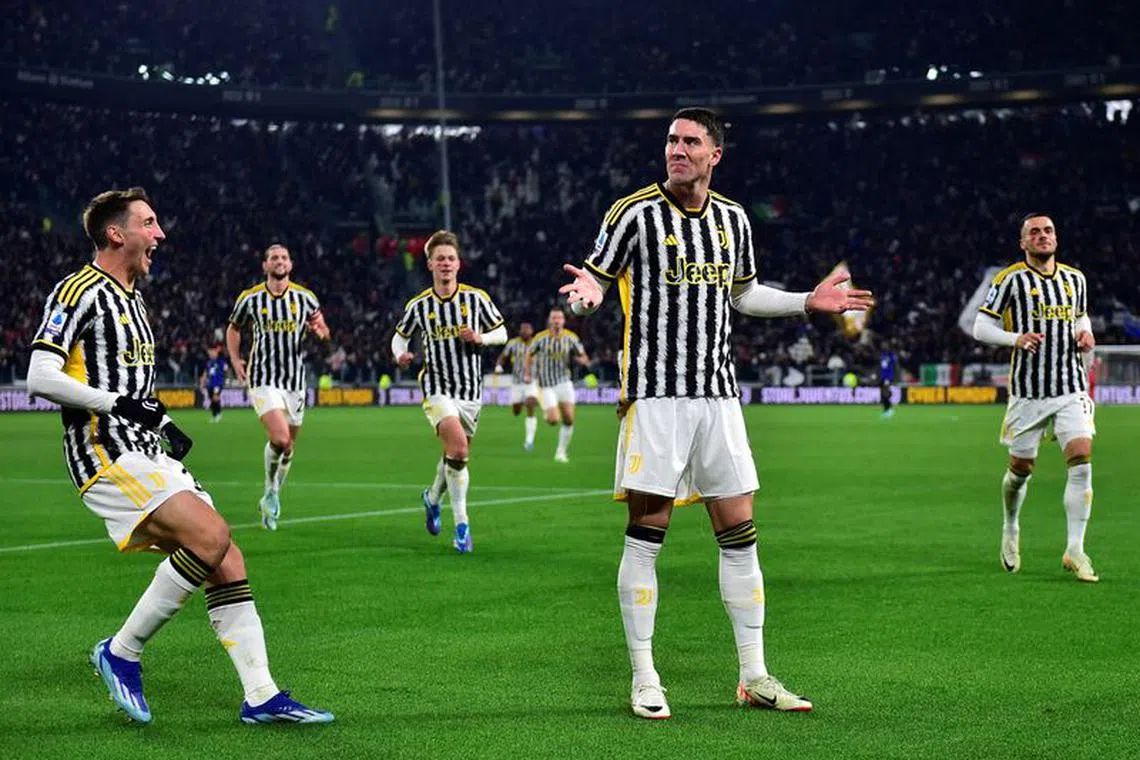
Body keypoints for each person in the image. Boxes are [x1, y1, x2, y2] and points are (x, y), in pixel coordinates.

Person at [558, 108, 873, 719]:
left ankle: (754, 675)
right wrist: (589, 295)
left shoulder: (732, 220)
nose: (677, 149)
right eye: (672, 140)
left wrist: (807, 300)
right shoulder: (633, 214)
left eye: (690, 141)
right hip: (655, 396)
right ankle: (645, 675)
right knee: (648, 535)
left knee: (740, 532)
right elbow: (595, 280)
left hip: (719, 397)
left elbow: (744, 294)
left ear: (714, 154)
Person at [26, 188, 332, 725]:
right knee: (210, 537)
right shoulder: (79, 290)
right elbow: (40, 375)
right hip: (106, 451)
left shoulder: (135, 300)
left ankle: (260, 694)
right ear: (116, 233)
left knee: (227, 557)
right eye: (149, 223)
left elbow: (129, 386)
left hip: (145, 448)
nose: (160, 234)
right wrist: (116, 403)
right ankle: (121, 651)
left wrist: (163, 421)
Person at [972, 213, 1097, 582]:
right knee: (1020, 471)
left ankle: (1076, 548)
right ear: (1023, 242)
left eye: (1048, 231)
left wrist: (1085, 333)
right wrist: (1016, 338)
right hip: (1028, 393)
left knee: (1081, 460)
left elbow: (1081, 317)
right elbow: (981, 327)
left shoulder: (1076, 279)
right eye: (1034, 233)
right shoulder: (1009, 280)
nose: (1043, 236)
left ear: (1056, 237)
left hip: (1071, 387)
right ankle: (1011, 527)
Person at [392, 231, 507, 553]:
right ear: (430, 264)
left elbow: (502, 332)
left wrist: (481, 338)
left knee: (457, 457)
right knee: (458, 450)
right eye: (439, 259)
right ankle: (462, 525)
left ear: (459, 264)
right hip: (437, 386)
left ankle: (431, 498)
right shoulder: (419, 305)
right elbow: (400, 337)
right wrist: (399, 355)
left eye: (450, 258)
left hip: (470, 391)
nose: (445, 263)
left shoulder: (476, 298)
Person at [225, 244, 330, 531]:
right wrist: (235, 360)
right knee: (281, 439)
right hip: (263, 379)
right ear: (265, 265)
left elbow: (323, 329)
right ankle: (270, 490)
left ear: (290, 264)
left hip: (295, 382)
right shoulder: (250, 298)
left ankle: (272, 496)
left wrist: (320, 334)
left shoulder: (305, 298)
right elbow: (234, 329)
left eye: (284, 257)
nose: (279, 261)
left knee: (289, 448)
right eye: (274, 257)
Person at [524, 308, 590, 463]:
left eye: (559, 318)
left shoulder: (571, 338)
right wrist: (527, 373)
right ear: (549, 321)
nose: (557, 320)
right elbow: (529, 354)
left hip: (564, 382)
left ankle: (561, 452)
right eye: (554, 318)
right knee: (553, 420)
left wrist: (583, 361)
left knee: (568, 419)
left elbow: (583, 355)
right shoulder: (540, 338)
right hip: (546, 384)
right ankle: (548, 411)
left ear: (564, 321)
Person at [495, 321, 540, 451]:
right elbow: (503, 356)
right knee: (516, 410)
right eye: (522, 329)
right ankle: (518, 406)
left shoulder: (537, 343)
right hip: (516, 382)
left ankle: (529, 440)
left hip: (532, 381)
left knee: (531, 403)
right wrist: (499, 366)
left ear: (532, 331)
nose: (524, 331)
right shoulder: (513, 343)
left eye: (527, 329)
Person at [199, 343, 227, 423]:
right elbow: (205, 373)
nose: (210, 354)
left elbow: (225, 368)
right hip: (210, 384)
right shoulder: (209, 363)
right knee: (212, 400)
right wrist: (203, 381)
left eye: (212, 352)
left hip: (218, 384)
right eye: (209, 353)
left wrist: (219, 350)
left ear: (216, 352)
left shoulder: (220, 361)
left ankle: (218, 414)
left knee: (215, 398)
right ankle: (214, 415)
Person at [879, 341, 898, 417]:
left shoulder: (891, 355)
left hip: (888, 377)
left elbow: (894, 365)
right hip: (883, 376)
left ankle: (889, 410)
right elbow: (882, 367)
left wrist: (893, 377)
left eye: (885, 345)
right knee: (883, 393)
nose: (883, 346)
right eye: (882, 345)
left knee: (885, 392)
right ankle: (886, 409)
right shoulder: (882, 355)